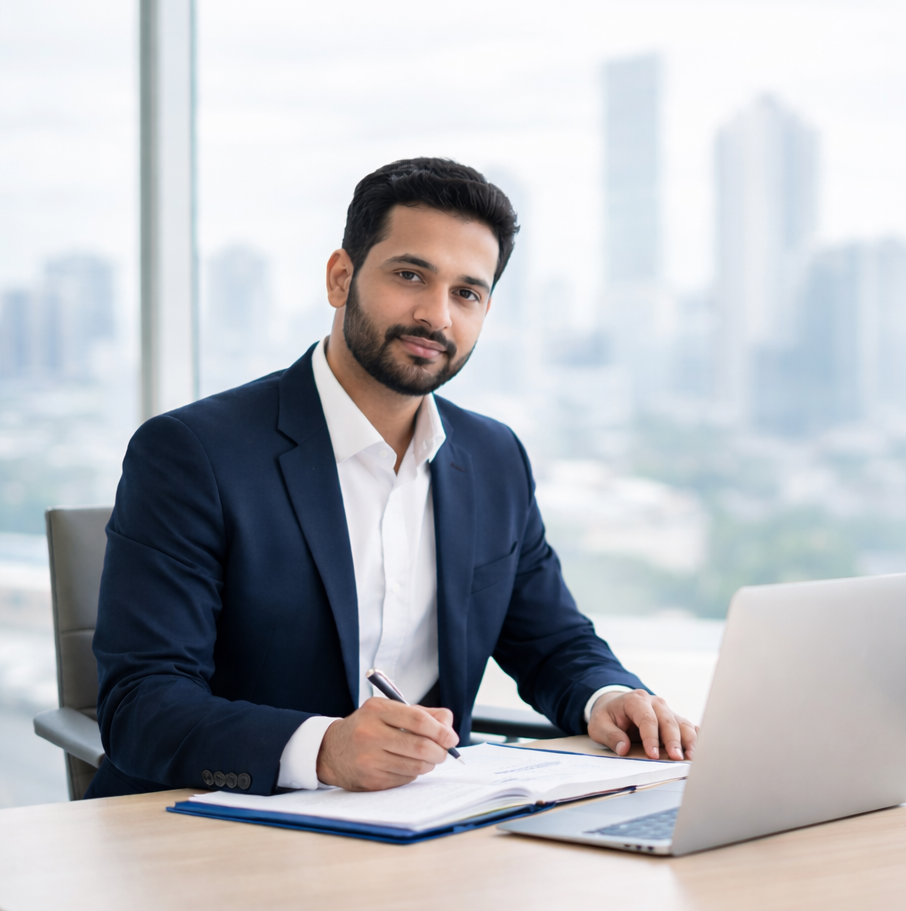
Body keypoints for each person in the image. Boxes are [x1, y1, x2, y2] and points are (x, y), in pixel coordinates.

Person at [88, 158, 697, 798]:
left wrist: (609, 696)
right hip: (207, 828)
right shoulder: (194, 454)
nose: (436, 316)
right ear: (340, 277)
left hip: (416, 827)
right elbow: (141, 706)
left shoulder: (493, 457)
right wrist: (323, 750)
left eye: (468, 292)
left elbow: (551, 641)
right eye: (411, 275)